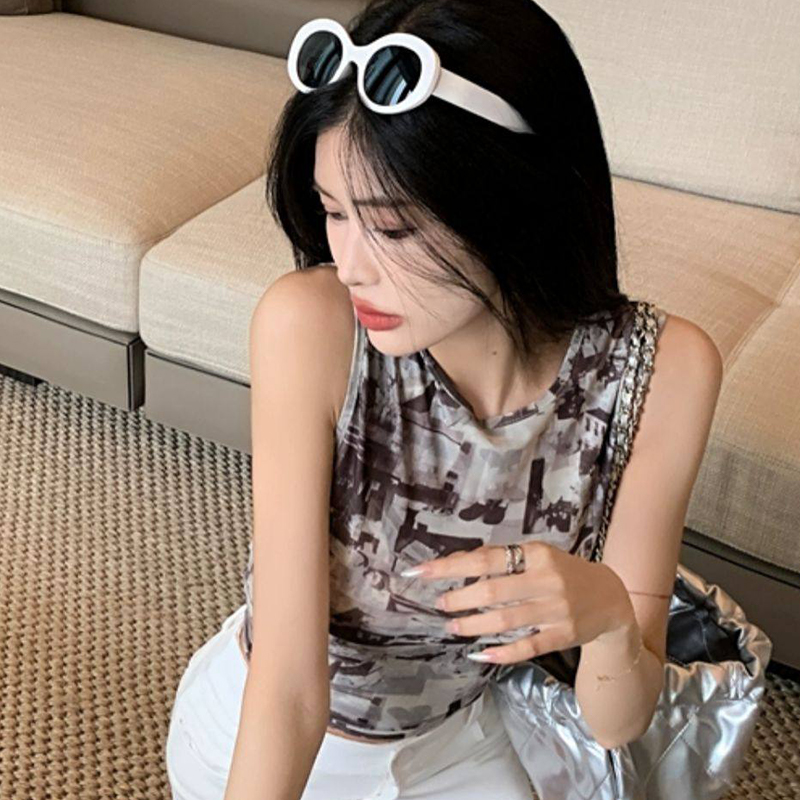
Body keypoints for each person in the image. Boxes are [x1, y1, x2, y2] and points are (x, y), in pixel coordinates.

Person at [165, 1, 724, 798]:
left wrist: (606, 619)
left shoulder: (665, 370)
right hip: (270, 732)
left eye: (392, 229)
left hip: (457, 741)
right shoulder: (311, 327)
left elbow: (617, 722)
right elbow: (289, 687)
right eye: (332, 213)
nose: (350, 265)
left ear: (515, 201)